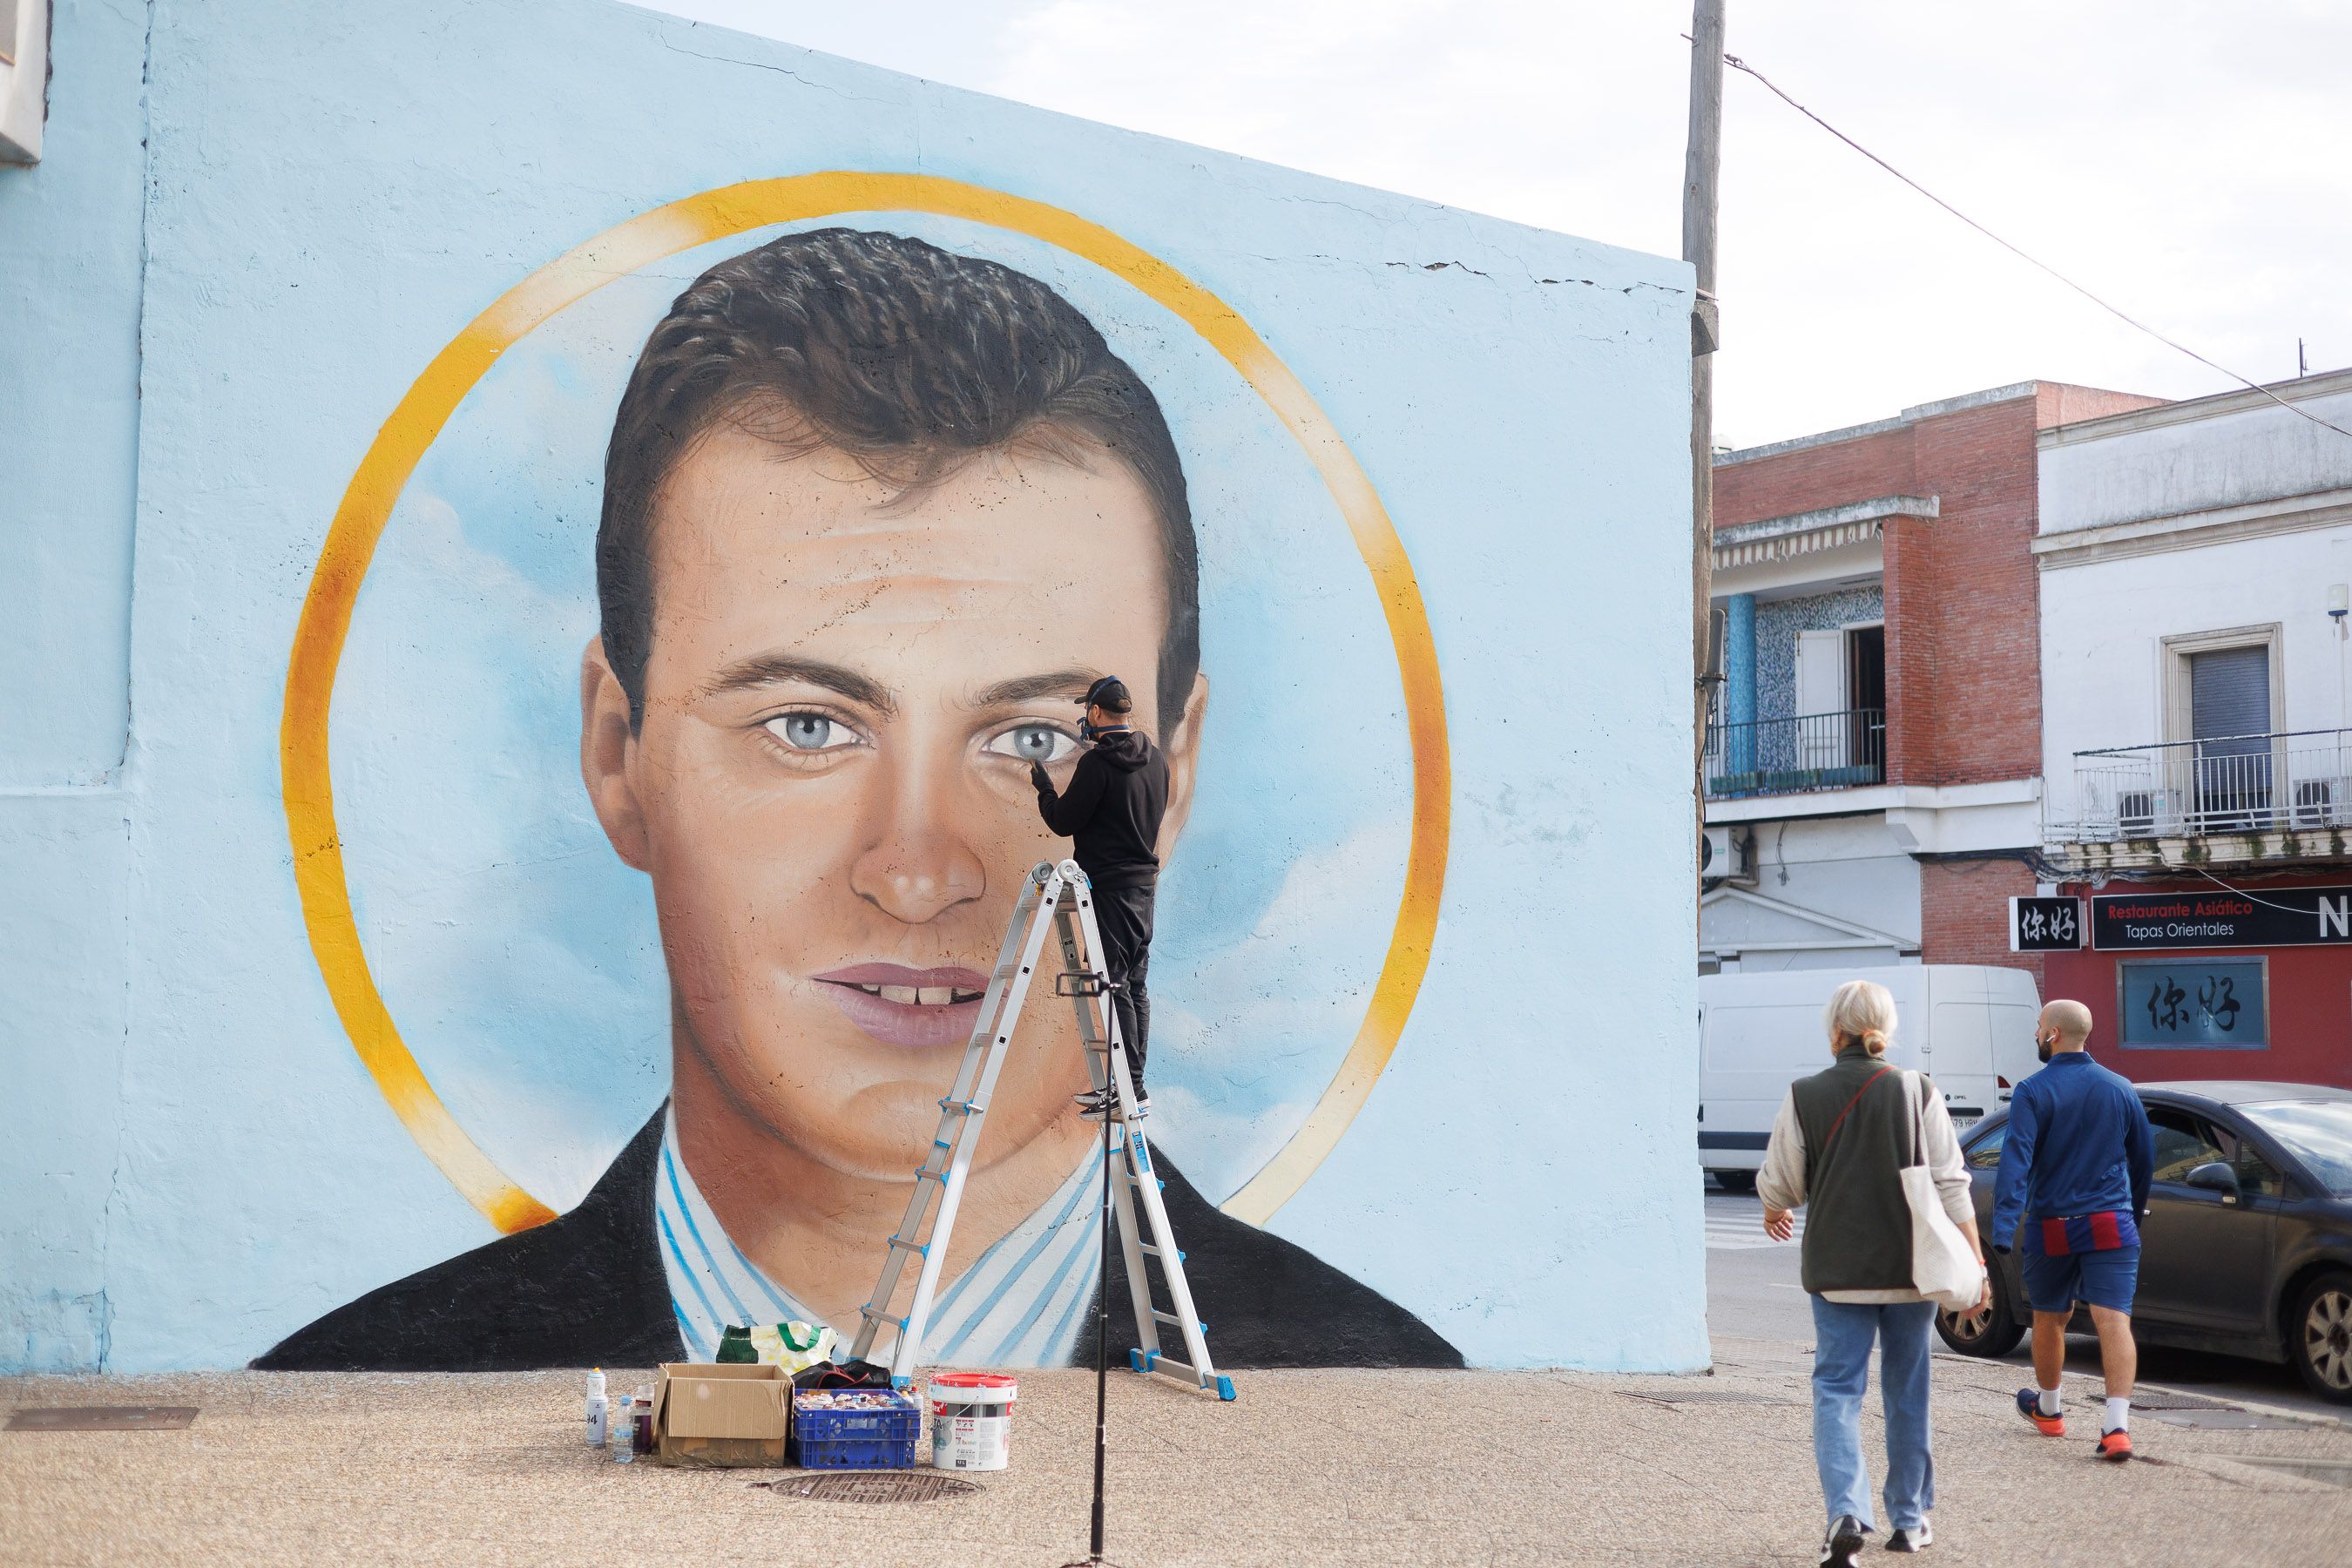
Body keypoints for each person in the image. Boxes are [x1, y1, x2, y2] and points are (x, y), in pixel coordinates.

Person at [255, 228, 1461, 1374]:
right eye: (808, 726)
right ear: (619, 751)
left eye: (1033, 735)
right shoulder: (345, 1406)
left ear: (1174, 775)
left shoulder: (1396, 1412)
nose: (919, 868)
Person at [1758, 979, 1986, 1564]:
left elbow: (1783, 1183)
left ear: (1835, 1031)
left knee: (1837, 1390)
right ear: (1886, 1030)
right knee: (1908, 1389)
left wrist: (1773, 1207)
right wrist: (1977, 1264)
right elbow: (1953, 1185)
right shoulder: (1917, 1089)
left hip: (1837, 1271)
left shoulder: (1804, 1094)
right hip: (1913, 1269)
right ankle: (1908, 1521)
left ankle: (1846, 1511)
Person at [1990, 998, 2153, 1461]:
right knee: (2113, 1320)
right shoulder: (2120, 1088)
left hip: (2054, 1224)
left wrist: (2004, 1228)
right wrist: (2132, 1213)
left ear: (2054, 1035)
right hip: (2110, 1222)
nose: (2036, 1033)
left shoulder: (2032, 1091)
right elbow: (2143, 1159)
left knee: (2049, 1318)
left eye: (2039, 1027)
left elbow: (2016, 1160)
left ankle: (2050, 1410)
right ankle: (2117, 1426)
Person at [1032, 673, 1162, 1119]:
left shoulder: (1098, 765)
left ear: (1094, 713)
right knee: (1134, 985)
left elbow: (1063, 821)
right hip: (1144, 890)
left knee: (1115, 984)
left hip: (1110, 890)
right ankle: (1130, 1088)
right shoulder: (1156, 760)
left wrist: (1044, 790)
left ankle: (1131, 1092)